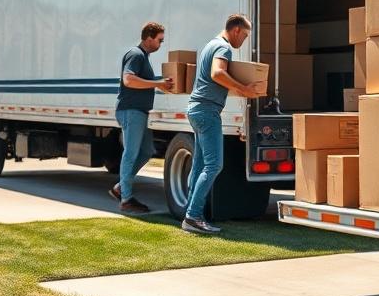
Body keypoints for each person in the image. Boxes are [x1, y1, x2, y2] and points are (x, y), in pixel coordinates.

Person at [181, 14, 264, 235]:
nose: (244, 41)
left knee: (199, 166)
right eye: (245, 36)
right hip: (207, 112)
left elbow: (214, 79)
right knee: (214, 165)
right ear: (236, 30)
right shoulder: (223, 48)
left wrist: (240, 89)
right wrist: (245, 90)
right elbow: (217, 73)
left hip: (197, 109)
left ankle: (190, 214)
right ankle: (194, 217)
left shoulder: (210, 44)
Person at [110, 21, 173, 213]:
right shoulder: (136, 55)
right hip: (131, 111)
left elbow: (139, 80)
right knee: (130, 153)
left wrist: (159, 82)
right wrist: (157, 84)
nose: (161, 44)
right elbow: (128, 80)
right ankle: (126, 199)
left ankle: (121, 187)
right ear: (148, 38)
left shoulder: (144, 57)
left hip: (140, 112)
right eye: (159, 40)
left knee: (146, 151)